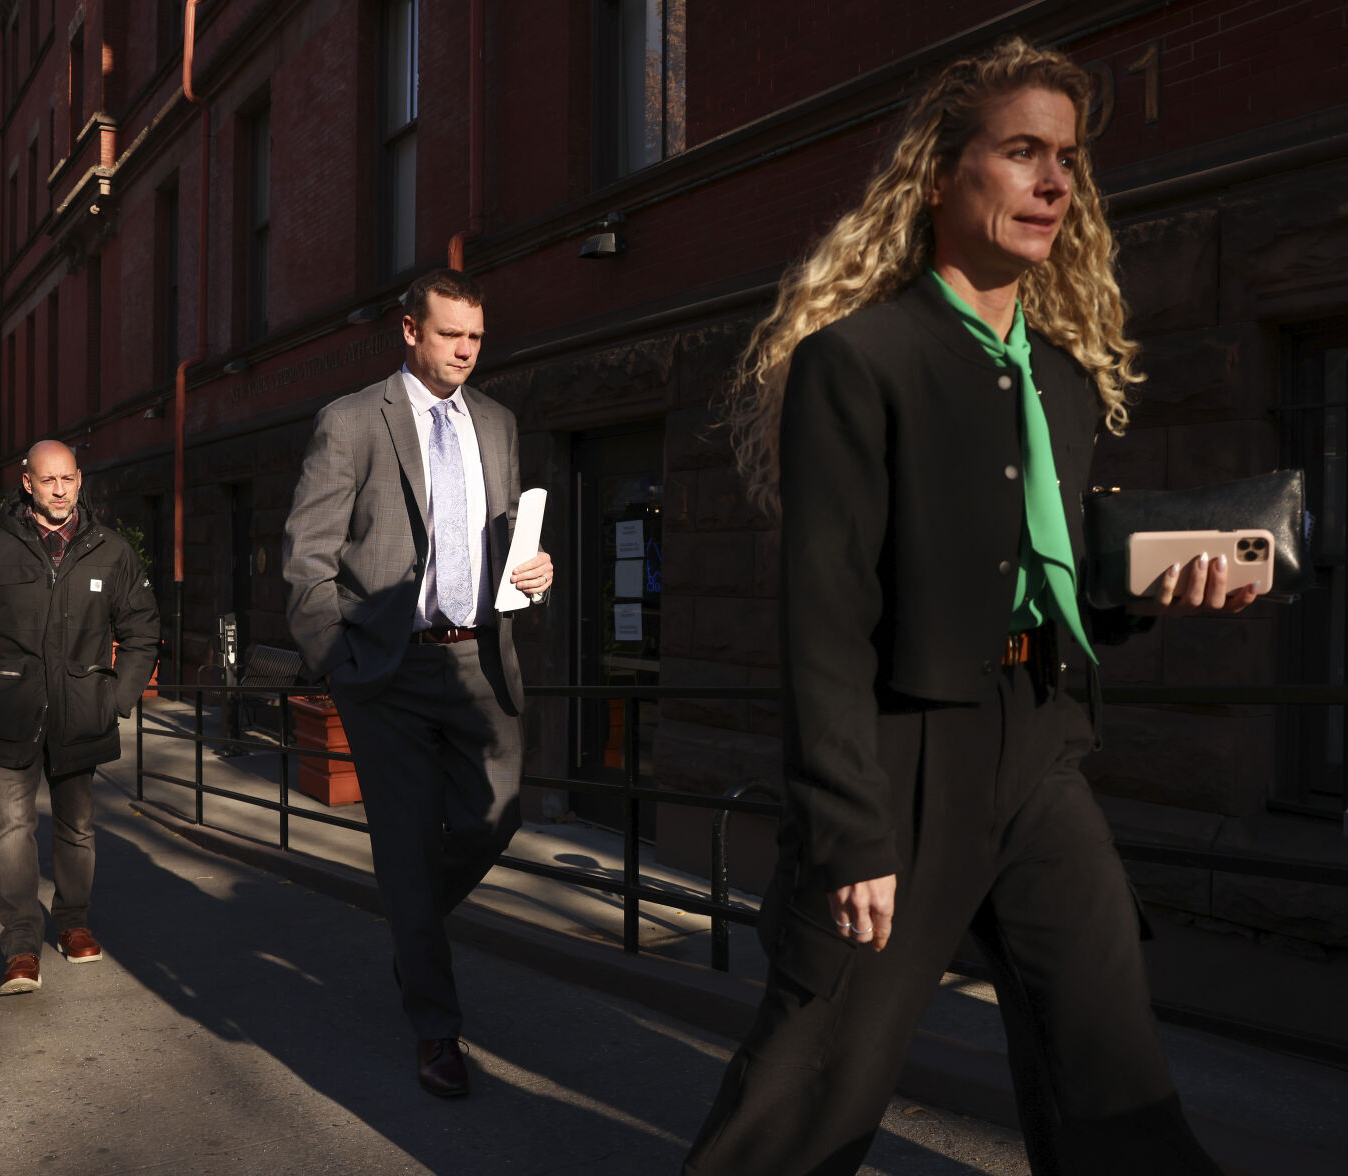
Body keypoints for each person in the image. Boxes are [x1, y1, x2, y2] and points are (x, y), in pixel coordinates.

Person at [685, 38, 1252, 1175]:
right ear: (942, 175)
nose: (1053, 181)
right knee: (813, 1086)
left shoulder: (1060, 375)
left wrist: (1155, 593)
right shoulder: (860, 360)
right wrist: (849, 835)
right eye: (1021, 152)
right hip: (900, 765)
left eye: (1067, 161)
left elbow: (1052, 580)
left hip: (1038, 743)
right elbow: (826, 617)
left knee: (1110, 1065)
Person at [282, 268, 554, 1098]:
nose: (465, 351)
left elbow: (503, 537)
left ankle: (410, 930)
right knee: (404, 848)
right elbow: (307, 559)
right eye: (449, 335)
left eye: (475, 337)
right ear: (410, 331)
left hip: (481, 657)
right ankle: (436, 1030)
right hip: (387, 670)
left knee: (496, 816)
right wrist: (340, 661)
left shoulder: (499, 423)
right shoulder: (353, 421)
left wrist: (534, 570)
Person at [0, 439, 160, 996]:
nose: (59, 489)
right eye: (47, 480)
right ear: (27, 483)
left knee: (76, 827)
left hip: (82, 713)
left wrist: (118, 699)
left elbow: (142, 631)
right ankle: (20, 946)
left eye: (68, 479)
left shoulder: (111, 550)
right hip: (6, 712)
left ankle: (74, 921)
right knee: (11, 826)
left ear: (79, 480)